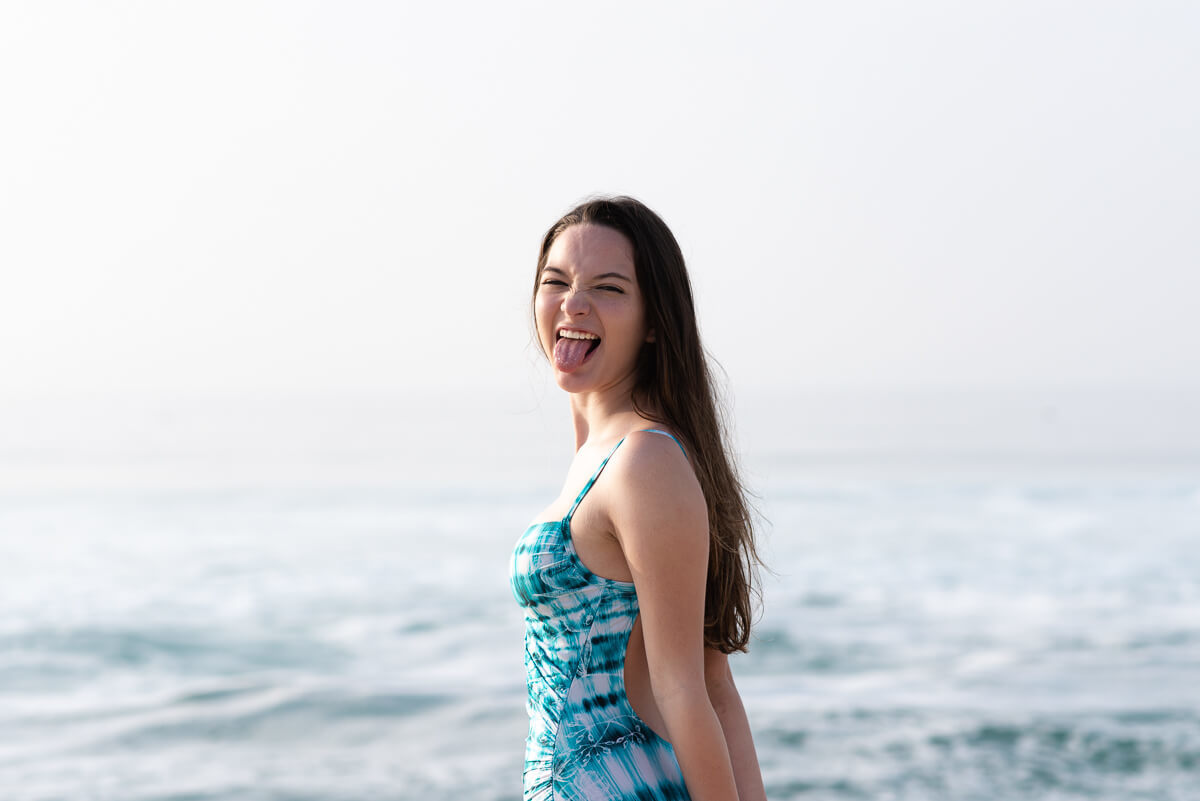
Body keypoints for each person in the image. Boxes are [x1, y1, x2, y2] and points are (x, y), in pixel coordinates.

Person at [510, 196, 766, 801]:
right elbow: (715, 682)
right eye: (557, 282)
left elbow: (690, 690)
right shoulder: (599, 453)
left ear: (653, 321)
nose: (574, 301)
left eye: (608, 287)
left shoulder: (643, 462)